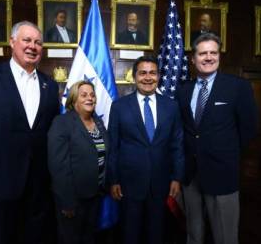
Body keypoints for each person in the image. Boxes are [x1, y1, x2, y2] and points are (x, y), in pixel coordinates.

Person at [0, 21, 60, 244]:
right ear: (12, 42)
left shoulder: (50, 85)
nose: (32, 46)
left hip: (39, 186)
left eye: (38, 42)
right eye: (27, 40)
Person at [177, 33, 258, 244]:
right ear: (193, 59)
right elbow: (183, 129)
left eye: (213, 52)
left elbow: (248, 128)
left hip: (223, 172)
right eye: (203, 53)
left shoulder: (237, 87)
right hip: (191, 175)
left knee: (225, 235)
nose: (209, 57)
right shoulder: (183, 90)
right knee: (193, 234)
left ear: (219, 56)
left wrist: (225, 152)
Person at [107, 56, 184, 244]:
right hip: (128, 184)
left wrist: (177, 177)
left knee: (156, 234)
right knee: (130, 234)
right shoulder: (119, 106)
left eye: (152, 73)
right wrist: (113, 180)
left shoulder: (171, 106)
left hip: (161, 183)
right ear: (134, 77)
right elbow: (113, 146)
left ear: (158, 76)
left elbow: (177, 144)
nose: (148, 77)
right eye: (142, 73)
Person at [48, 80, 109, 244]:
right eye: (84, 95)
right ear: (74, 99)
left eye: (92, 95)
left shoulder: (97, 122)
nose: (90, 98)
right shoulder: (62, 123)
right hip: (73, 199)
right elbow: (59, 167)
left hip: (95, 195)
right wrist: (67, 201)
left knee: (89, 238)